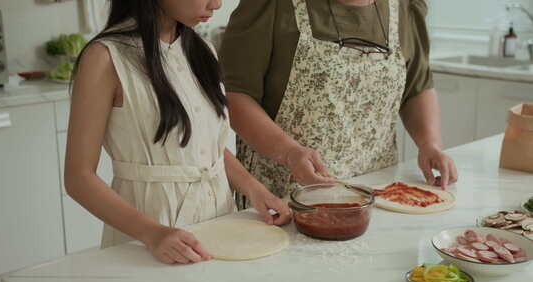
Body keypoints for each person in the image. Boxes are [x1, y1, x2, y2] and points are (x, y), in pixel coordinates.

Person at [64, 0, 290, 265]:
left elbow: (203, 148)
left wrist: (255, 190)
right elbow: (78, 178)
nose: (216, 4)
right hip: (149, 234)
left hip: (220, 221)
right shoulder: (104, 57)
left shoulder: (201, 50)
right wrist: (153, 234)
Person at [220, 0, 458, 208]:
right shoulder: (272, 4)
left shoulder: (405, 7)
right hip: (282, 196)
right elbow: (235, 96)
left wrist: (429, 144)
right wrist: (289, 152)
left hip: (379, 193)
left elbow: (416, 87)